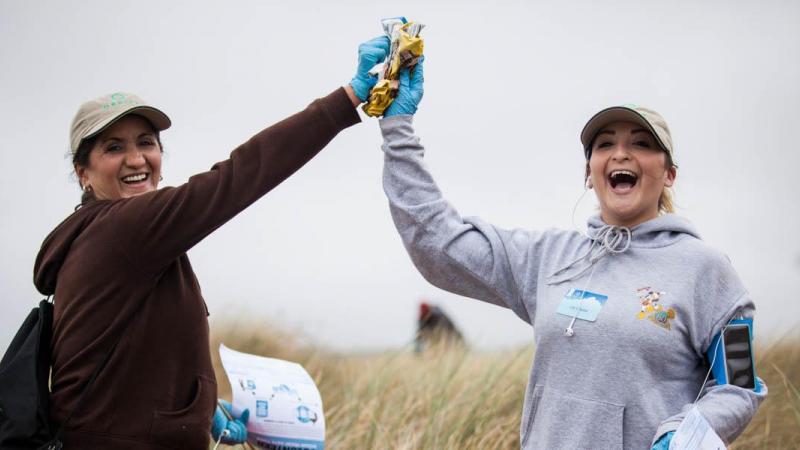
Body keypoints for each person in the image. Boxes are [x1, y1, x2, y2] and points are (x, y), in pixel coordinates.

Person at [377, 57, 767, 448]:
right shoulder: (548, 258)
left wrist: (684, 436)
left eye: (642, 144)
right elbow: (439, 242)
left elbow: (740, 386)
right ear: (589, 172)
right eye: (604, 144)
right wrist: (398, 129)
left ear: (669, 174)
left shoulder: (707, 272)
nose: (620, 153)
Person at [33, 36, 391, 449]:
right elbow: (239, 176)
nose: (136, 159)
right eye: (114, 148)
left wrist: (199, 406)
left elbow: (132, 362)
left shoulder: (116, 238)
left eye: (146, 142)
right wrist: (346, 100)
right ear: (83, 173)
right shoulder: (124, 228)